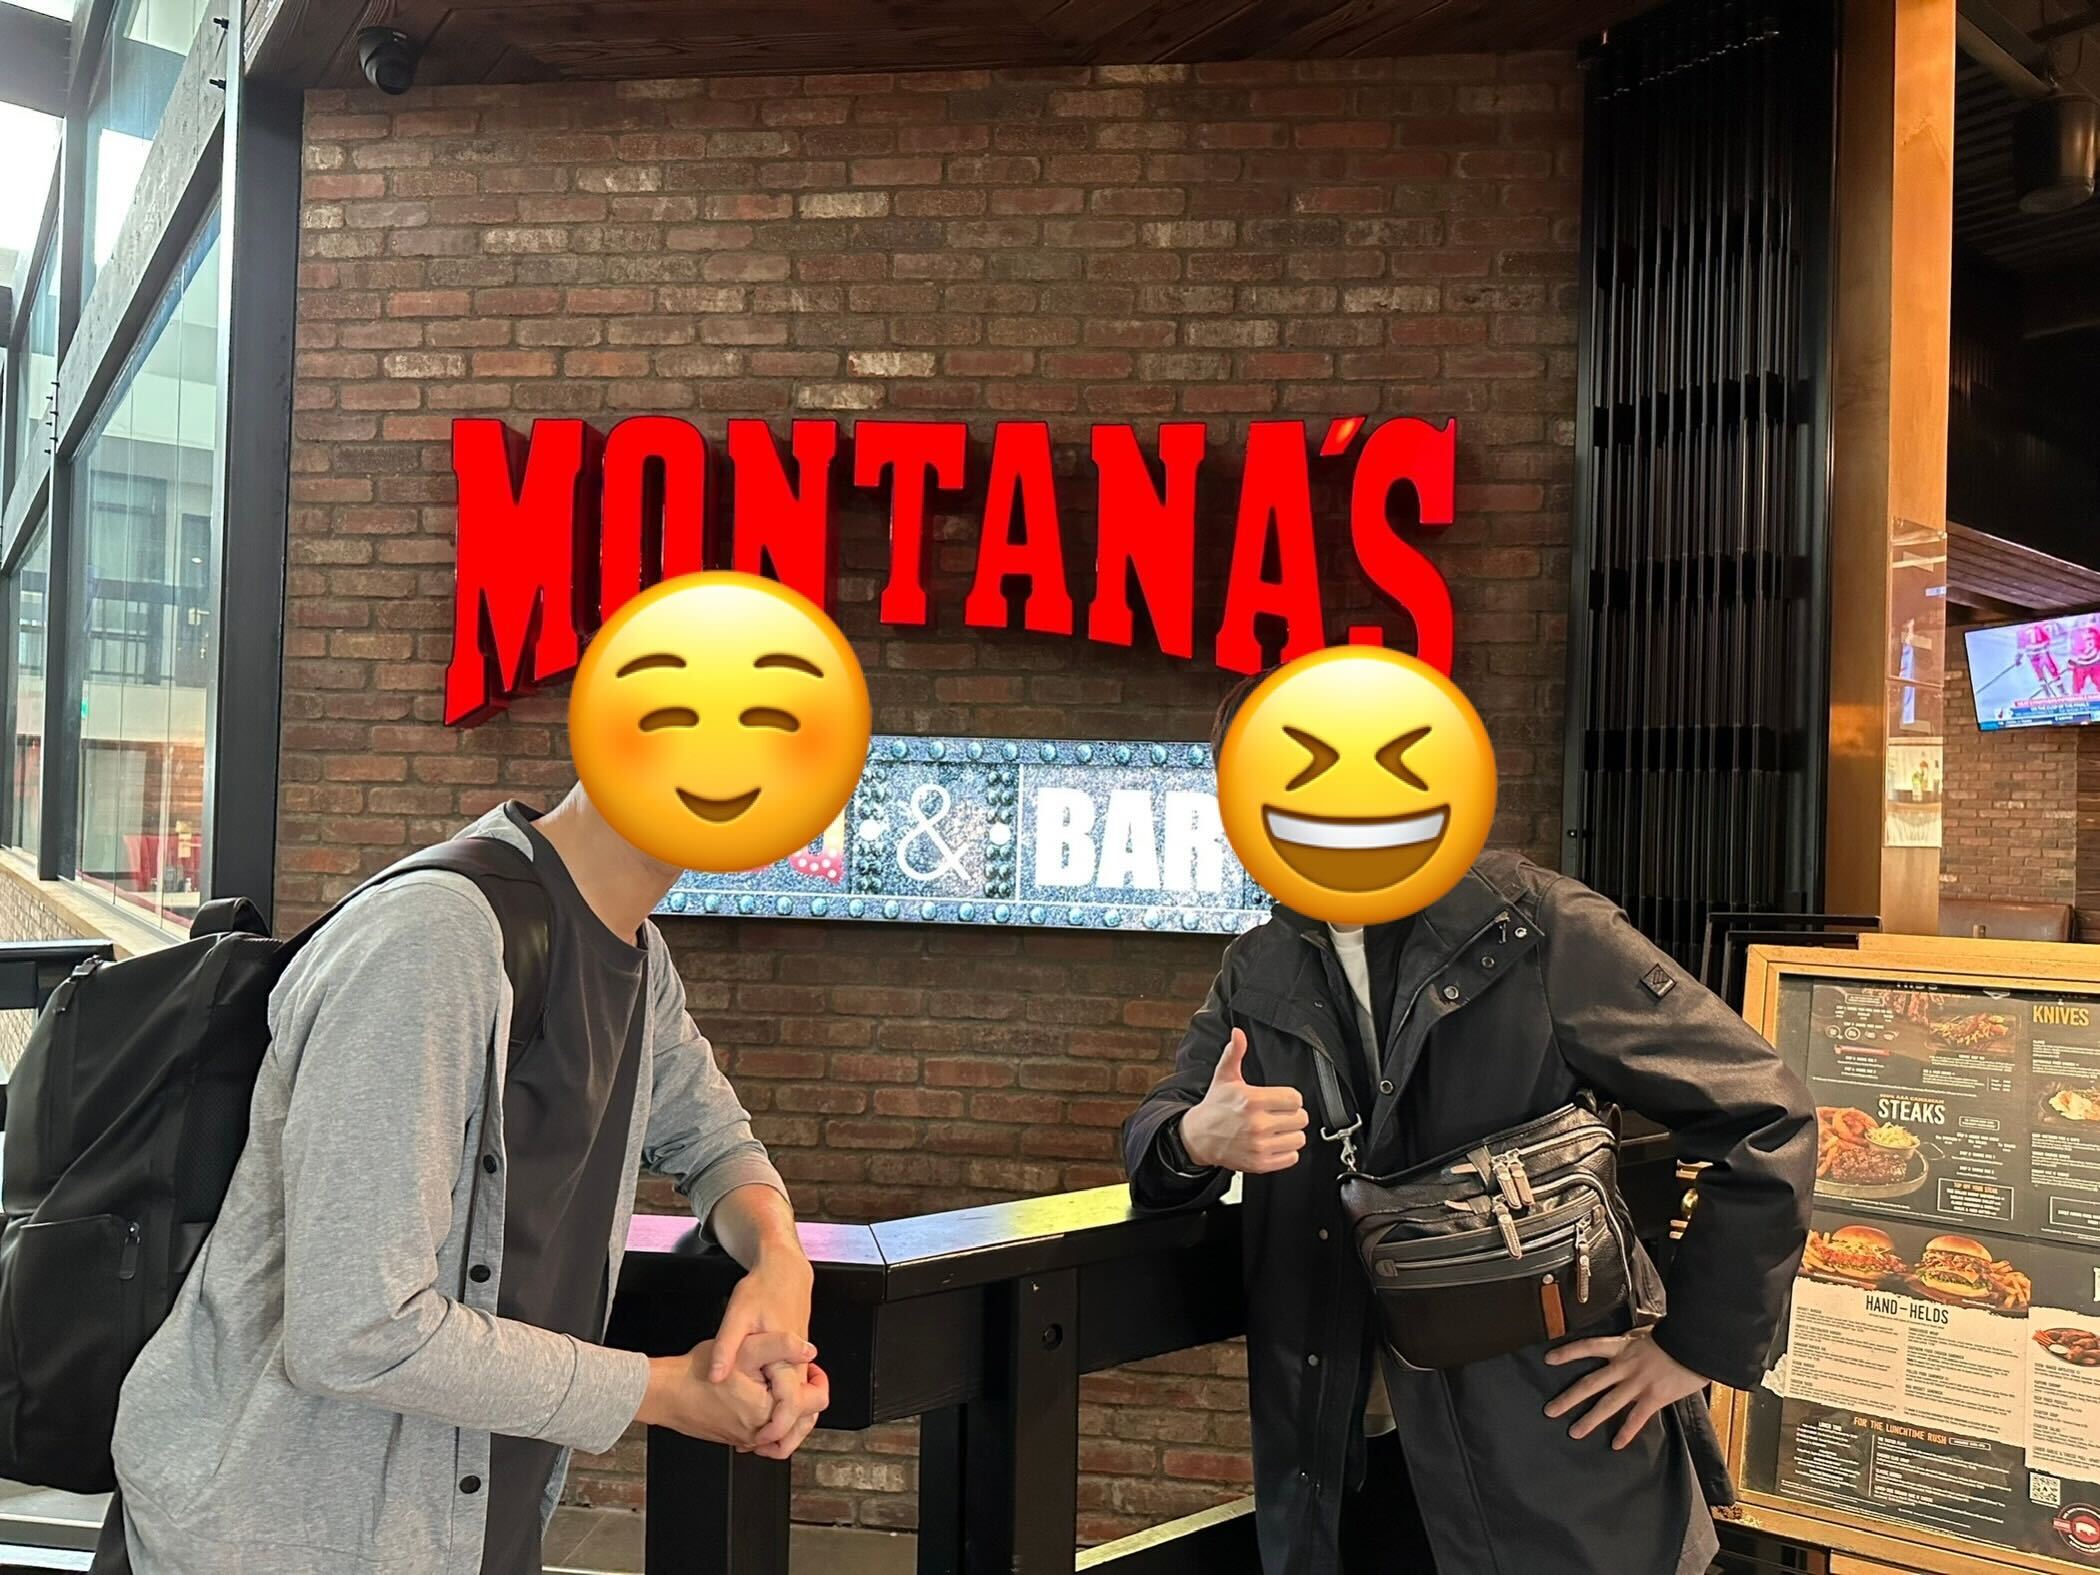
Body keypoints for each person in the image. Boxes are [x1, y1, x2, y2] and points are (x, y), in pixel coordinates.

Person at [1122, 675, 1816, 1575]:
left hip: (1549, 1453)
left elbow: (1765, 1113)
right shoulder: (1258, 968)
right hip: (1336, 1466)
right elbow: (1156, 1134)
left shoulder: (1533, 926)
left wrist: (1694, 1347)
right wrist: (1196, 1139)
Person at [106, 787, 829, 1574]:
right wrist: (664, 1390)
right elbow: (355, 1330)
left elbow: (715, 1140)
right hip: (275, 1536)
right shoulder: (432, 937)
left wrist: (780, 1260)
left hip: (457, 1532)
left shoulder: (638, 958)